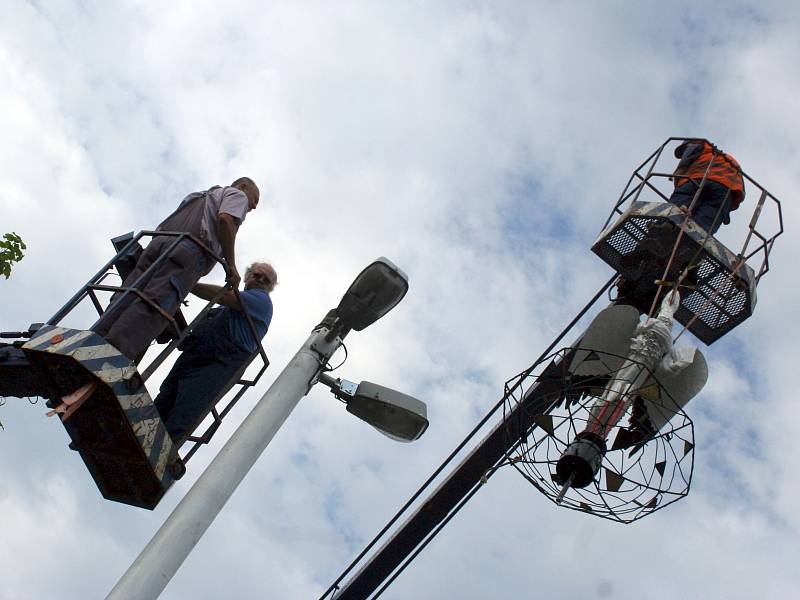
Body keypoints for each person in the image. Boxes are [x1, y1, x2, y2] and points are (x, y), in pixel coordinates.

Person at [93, 177, 260, 361]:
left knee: (128, 294)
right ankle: (111, 357)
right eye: (255, 200)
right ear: (243, 186)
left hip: (157, 245)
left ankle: (94, 340)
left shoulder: (198, 196)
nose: (253, 207)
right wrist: (231, 266)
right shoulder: (237, 195)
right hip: (188, 252)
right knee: (154, 305)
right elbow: (225, 220)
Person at [154, 261, 277, 445]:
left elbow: (224, 296)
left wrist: (186, 283)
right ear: (247, 276)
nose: (260, 280)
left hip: (220, 363)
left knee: (187, 406)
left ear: (270, 287)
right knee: (165, 396)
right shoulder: (221, 311)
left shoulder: (261, 301)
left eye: (265, 279)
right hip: (195, 354)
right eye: (257, 275)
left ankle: (162, 450)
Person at [668, 140, 745, 234]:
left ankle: (667, 225)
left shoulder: (697, 145)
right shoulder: (729, 160)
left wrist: (677, 186)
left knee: (679, 206)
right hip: (726, 191)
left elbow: (681, 170)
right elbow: (741, 192)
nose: (683, 154)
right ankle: (693, 238)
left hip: (700, 179)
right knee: (702, 227)